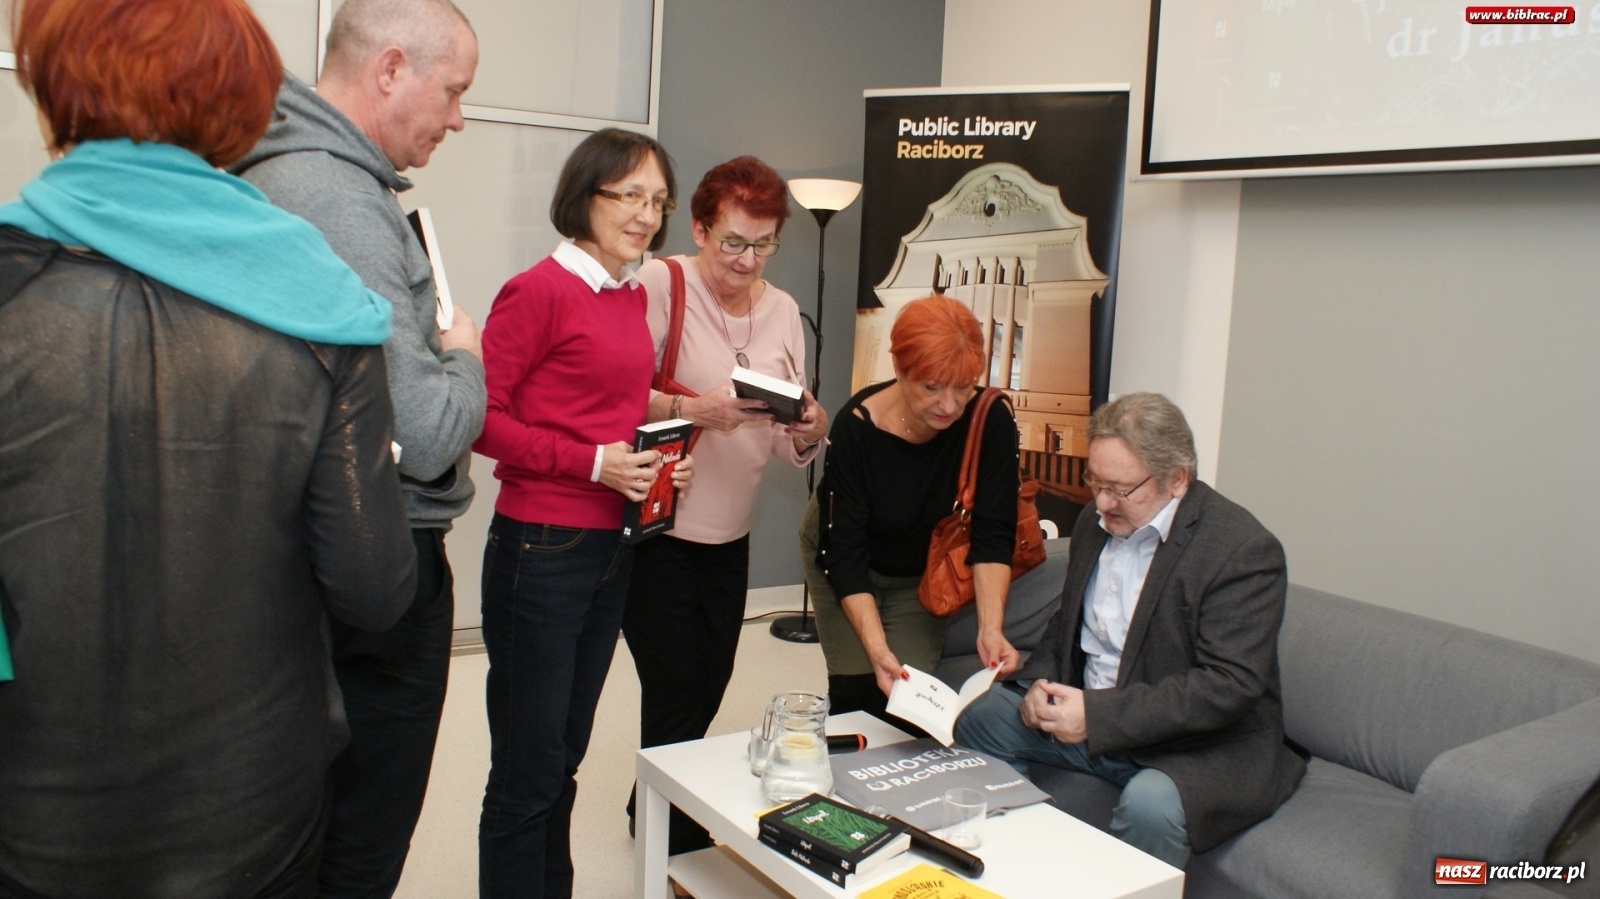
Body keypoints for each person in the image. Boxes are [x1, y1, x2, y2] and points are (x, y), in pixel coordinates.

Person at [0, 0, 417, 896]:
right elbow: (376, 588)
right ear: (239, 107)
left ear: (51, 88)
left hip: (33, 807)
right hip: (254, 812)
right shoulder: (325, 305)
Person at [230, 0, 487, 893]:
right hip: (376, 566)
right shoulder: (340, 199)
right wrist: (466, 358)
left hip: (306, 553)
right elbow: (425, 434)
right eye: (452, 91)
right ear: (389, 71)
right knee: (359, 844)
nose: (457, 117)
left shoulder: (299, 176)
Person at [953, 392, 1307, 869]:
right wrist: (1037, 683)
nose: (1102, 503)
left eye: (1120, 489)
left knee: (1151, 805)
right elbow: (1068, 624)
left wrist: (1097, 716)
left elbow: (1228, 686)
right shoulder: (1095, 522)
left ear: (1177, 478)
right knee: (984, 716)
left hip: (1194, 743)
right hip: (1097, 716)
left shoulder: (1241, 550)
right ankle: (1015, 868)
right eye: (1095, 482)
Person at [473, 127, 691, 899]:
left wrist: (655, 461)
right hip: (542, 546)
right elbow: (478, 418)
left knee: (563, 755)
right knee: (527, 769)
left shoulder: (627, 292)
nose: (645, 214)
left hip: (611, 547)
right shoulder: (538, 289)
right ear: (585, 194)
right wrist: (592, 462)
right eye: (629, 194)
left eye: (657, 200)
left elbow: (605, 409)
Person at [622, 156, 829, 854]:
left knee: (709, 681)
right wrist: (692, 407)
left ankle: (648, 796)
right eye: (734, 241)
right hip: (661, 526)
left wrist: (808, 430)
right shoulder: (661, 283)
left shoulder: (782, 313)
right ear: (701, 228)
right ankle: (670, 835)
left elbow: (781, 438)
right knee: (676, 683)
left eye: (763, 243)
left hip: (730, 531)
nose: (747, 259)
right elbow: (612, 393)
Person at [801, 295, 1021, 720]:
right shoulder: (857, 428)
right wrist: (877, 648)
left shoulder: (989, 420)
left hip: (922, 569)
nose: (950, 405)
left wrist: (990, 630)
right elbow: (845, 556)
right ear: (900, 371)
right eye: (932, 387)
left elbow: (993, 536)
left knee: (907, 706)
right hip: (845, 559)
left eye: (963, 386)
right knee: (857, 694)